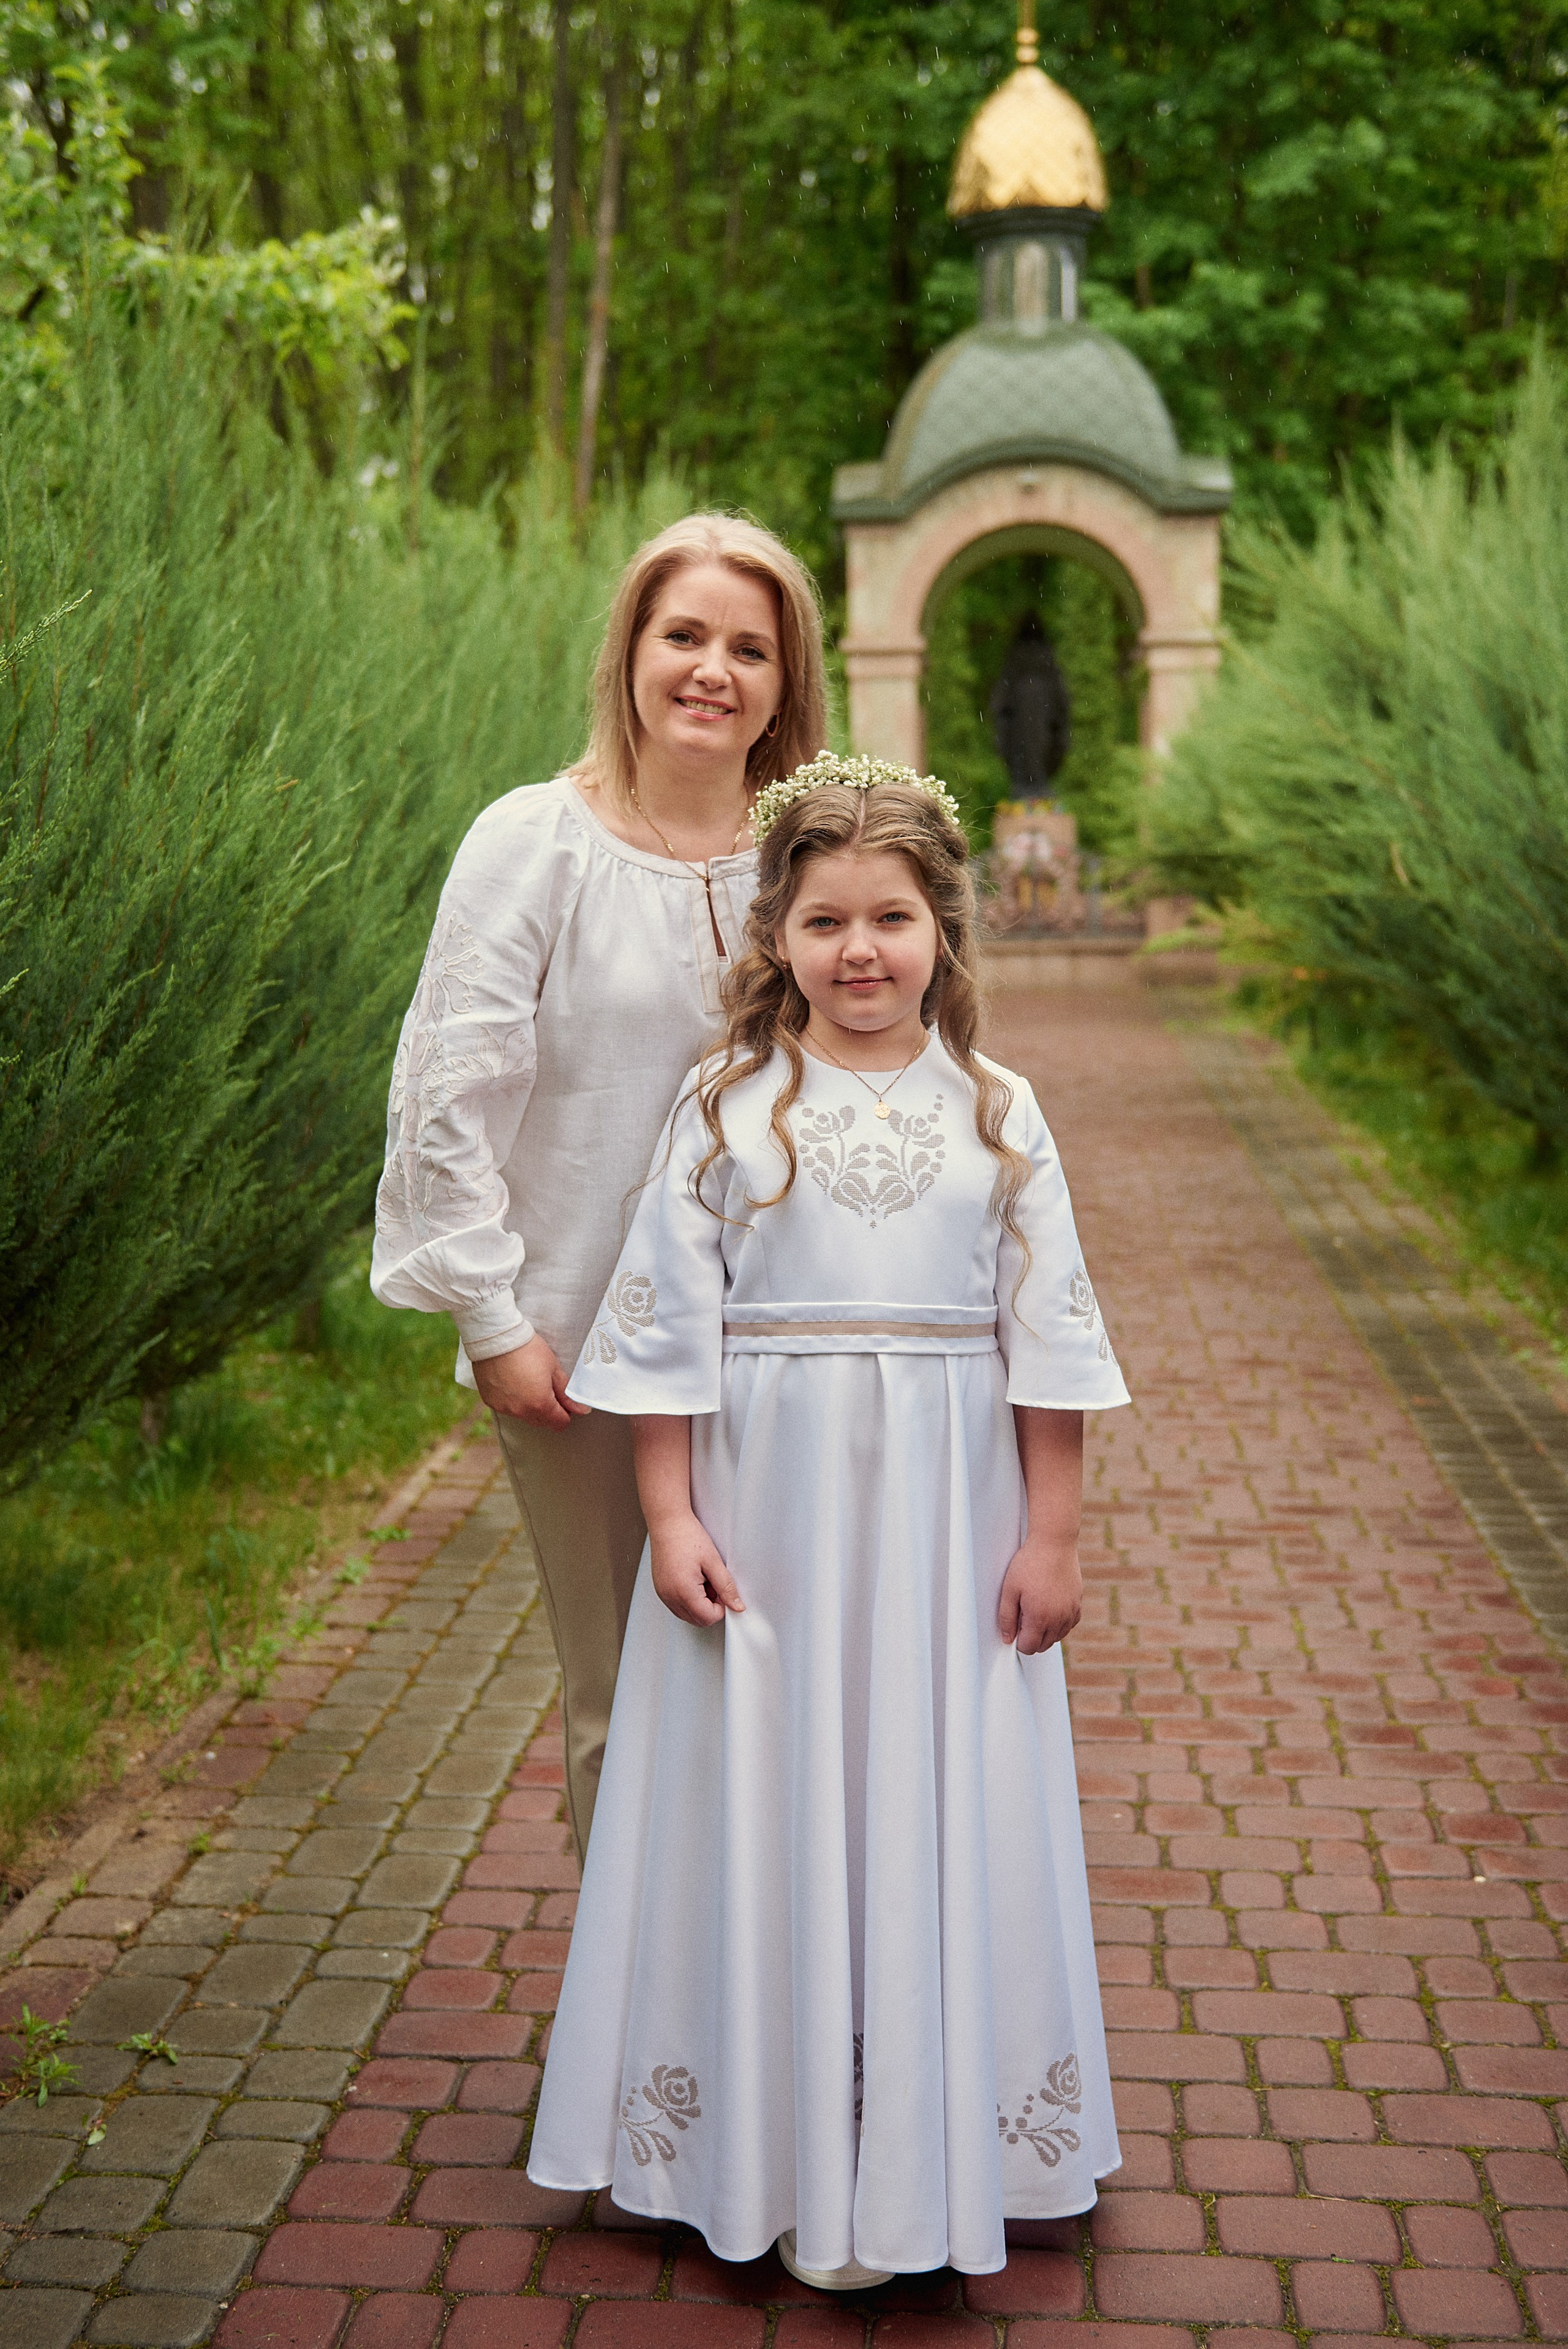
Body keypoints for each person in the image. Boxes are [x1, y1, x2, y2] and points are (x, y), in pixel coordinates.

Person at [526, 752, 1129, 2285]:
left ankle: (944, 2138)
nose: (859, 952)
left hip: (945, 1522)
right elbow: (661, 1328)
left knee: (928, 1778)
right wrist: (665, 1511)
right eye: (823, 923)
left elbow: (1047, 1340)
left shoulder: (999, 1115)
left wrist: (1047, 1533)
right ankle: (757, 2138)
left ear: (944, 931)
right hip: (766, 1513)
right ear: (773, 938)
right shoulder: (728, 1107)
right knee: (770, 1782)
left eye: (892, 919)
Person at [371, 515, 828, 1860]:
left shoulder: (811, 855)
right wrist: (493, 1319)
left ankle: (764, 2009)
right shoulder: (534, 843)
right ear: (628, 648)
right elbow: (442, 1096)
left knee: (780, 1684)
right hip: (580, 1346)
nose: (712, 669)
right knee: (624, 1700)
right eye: (683, 634)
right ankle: (632, 2051)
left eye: (749, 647)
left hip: (787, 1341)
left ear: (783, 681)